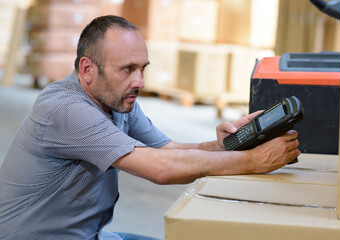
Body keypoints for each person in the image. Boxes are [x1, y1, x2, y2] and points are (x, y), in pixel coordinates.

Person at [0, 15, 300, 240]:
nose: (140, 82)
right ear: (87, 70)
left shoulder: (117, 99)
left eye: (142, 68)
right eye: (127, 69)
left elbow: (167, 150)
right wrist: (253, 162)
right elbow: (161, 169)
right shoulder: (65, 110)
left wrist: (221, 145)